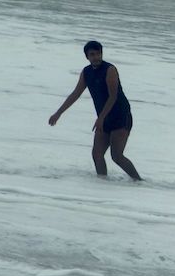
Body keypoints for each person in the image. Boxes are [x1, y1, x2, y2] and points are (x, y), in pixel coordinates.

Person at [48, 40, 142, 182]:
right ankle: (102, 183)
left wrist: (101, 118)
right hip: (104, 118)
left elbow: (113, 96)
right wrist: (58, 113)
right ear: (87, 57)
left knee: (116, 156)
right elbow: (76, 94)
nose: (96, 57)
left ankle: (138, 182)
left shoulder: (110, 69)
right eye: (92, 54)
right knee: (97, 154)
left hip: (120, 116)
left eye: (98, 54)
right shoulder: (86, 72)